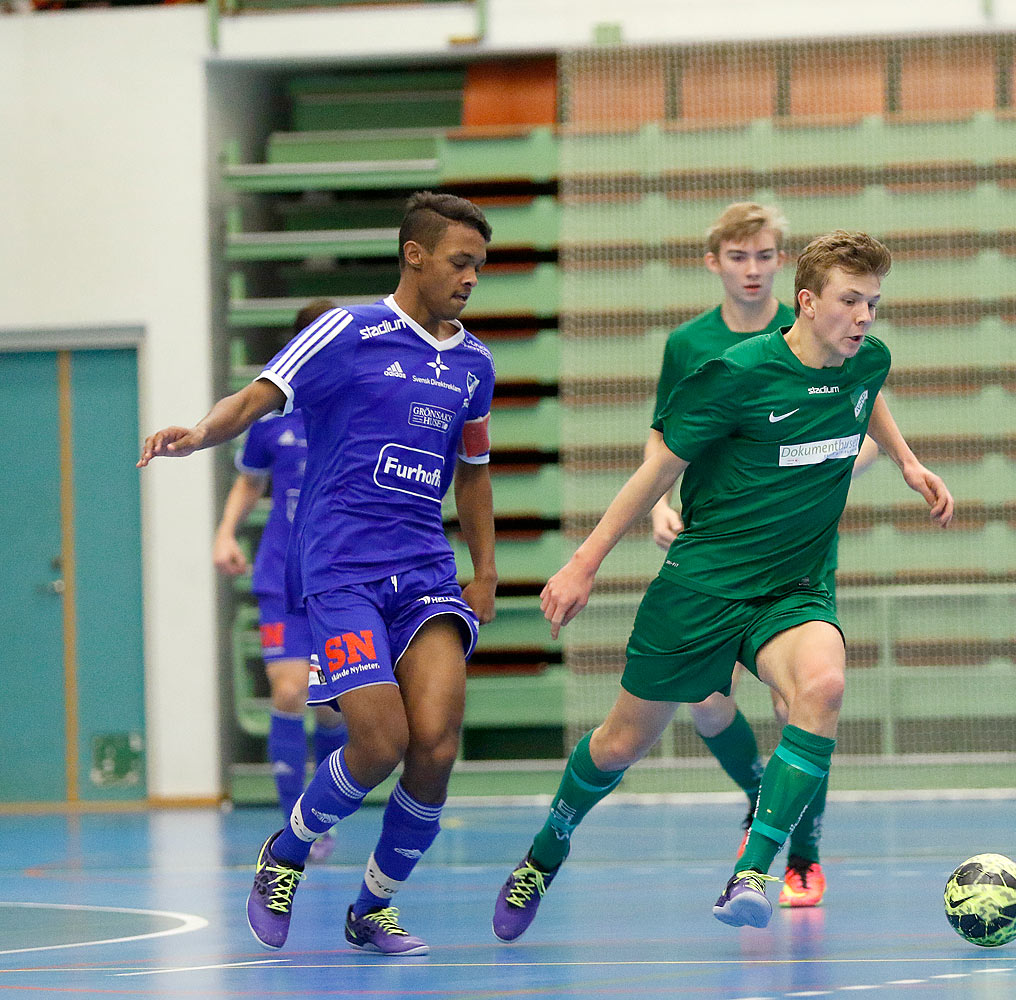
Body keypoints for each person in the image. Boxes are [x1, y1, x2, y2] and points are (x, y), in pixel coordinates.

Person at [493, 230, 953, 941]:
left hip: (792, 589)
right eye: (850, 301)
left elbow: (868, 391)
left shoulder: (869, 359)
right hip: (704, 584)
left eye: (873, 303)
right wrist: (584, 563)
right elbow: (656, 472)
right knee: (619, 745)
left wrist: (907, 463)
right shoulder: (736, 374)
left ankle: (756, 869)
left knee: (823, 687)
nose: (865, 317)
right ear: (806, 302)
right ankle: (544, 852)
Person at [140, 191, 500, 956]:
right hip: (339, 568)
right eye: (460, 262)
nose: (472, 278)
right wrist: (198, 433)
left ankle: (374, 907)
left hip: (425, 571)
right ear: (415, 254)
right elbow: (256, 398)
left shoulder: (474, 362)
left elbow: (473, 472)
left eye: (480, 266)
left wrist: (486, 571)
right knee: (378, 742)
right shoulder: (347, 331)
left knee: (435, 745)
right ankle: (286, 854)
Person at [649, 203, 879, 908]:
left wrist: (832, 467)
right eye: (739, 257)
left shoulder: (826, 331)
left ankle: (802, 854)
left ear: (786, 267)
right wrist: (661, 504)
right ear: (714, 262)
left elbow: (862, 423)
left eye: (766, 256)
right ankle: (760, 793)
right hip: (718, 546)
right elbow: (665, 439)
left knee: (802, 699)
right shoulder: (692, 346)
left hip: (798, 554)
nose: (753, 270)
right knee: (706, 701)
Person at [214, 299, 348, 862]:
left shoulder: (356, 409)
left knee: (332, 706)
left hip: (338, 577)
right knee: (290, 690)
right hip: (279, 575)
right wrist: (225, 534)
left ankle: (323, 815)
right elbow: (249, 483)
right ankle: (294, 822)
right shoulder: (272, 418)